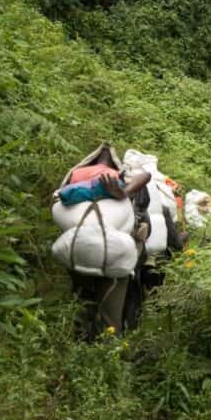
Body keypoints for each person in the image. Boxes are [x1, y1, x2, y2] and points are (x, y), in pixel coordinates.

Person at [56, 144, 151, 341]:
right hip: (116, 256)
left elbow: (57, 204)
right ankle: (110, 350)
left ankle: (80, 343)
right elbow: (146, 177)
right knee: (111, 313)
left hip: (79, 251)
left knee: (82, 299)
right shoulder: (119, 182)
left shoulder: (73, 185)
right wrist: (125, 193)